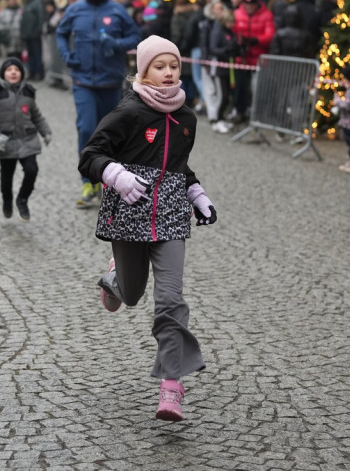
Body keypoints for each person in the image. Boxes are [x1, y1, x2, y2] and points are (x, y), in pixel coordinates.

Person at [79, 35, 216, 422]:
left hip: (171, 216)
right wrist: (115, 174)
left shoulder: (186, 117)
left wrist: (197, 194)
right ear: (143, 71)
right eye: (160, 66)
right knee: (133, 292)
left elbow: (179, 166)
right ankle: (114, 280)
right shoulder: (128, 113)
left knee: (171, 301)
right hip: (130, 215)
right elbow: (90, 156)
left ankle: (171, 386)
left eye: (174, 65)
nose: (169, 72)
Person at [56, 0, 140, 207]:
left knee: (111, 134)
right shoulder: (75, 10)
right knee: (86, 129)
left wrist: (115, 43)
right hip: (83, 81)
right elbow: (60, 33)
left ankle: (109, 181)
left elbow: (135, 37)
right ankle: (88, 181)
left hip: (110, 82)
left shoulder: (117, 10)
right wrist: (66, 54)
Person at [0, 57, 52, 221]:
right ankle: (7, 200)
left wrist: (45, 131)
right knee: (7, 178)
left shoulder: (28, 92)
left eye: (17, 70)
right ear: (3, 73)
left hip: (27, 140)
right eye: (9, 70)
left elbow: (36, 116)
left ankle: (22, 199)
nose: (13, 72)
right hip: (6, 143)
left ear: (21, 74)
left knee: (32, 170)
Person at [232, 0, 275, 123]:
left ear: (257, 4)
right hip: (242, 58)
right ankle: (240, 111)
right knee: (241, 87)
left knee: (257, 88)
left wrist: (256, 40)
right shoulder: (237, 14)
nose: (249, 7)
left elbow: (270, 35)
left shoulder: (266, 15)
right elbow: (232, 31)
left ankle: (258, 114)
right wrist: (238, 44)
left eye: (251, 5)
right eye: (247, 4)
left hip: (259, 58)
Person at [206, 0, 241, 133]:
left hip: (229, 68)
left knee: (228, 95)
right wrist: (226, 50)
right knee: (223, 95)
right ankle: (217, 119)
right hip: (220, 68)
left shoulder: (230, 32)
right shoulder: (218, 32)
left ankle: (222, 118)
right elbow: (213, 49)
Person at [19, 0, 45, 81]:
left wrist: (38, 30)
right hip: (27, 34)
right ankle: (32, 73)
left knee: (37, 54)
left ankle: (39, 73)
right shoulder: (27, 4)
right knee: (30, 55)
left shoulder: (36, 3)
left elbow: (40, 17)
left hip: (34, 34)